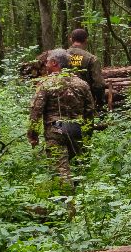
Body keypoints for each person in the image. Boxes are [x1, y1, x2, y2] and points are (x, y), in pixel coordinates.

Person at [27, 48, 94, 184]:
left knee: (61, 171)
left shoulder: (46, 84)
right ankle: (80, 193)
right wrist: (87, 132)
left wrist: (33, 134)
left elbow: (36, 110)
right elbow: (90, 110)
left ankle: (66, 195)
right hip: (76, 129)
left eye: (47, 62)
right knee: (77, 168)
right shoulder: (82, 84)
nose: (45, 65)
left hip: (56, 129)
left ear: (54, 63)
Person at [65, 27, 106, 110]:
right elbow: (98, 84)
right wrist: (100, 102)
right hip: (85, 102)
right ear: (86, 40)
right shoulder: (91, 58)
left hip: (62, 101)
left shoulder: (61, 56)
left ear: (71, 39)